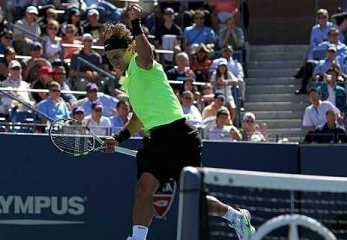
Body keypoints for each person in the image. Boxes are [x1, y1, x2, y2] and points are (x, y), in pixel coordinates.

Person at [102, 5, 255, 240]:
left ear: (130, 49)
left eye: (116, 56)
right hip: (156, 139)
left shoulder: (142, 64)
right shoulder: (129, 81)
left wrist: (135, 24)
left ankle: (236, 217)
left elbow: (147, 53)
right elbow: (139, 118)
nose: (114, 63)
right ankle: (138, 238)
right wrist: (118, 137)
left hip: (180, 136)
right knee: (143, 189)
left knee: (193, 200)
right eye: (110, 59)